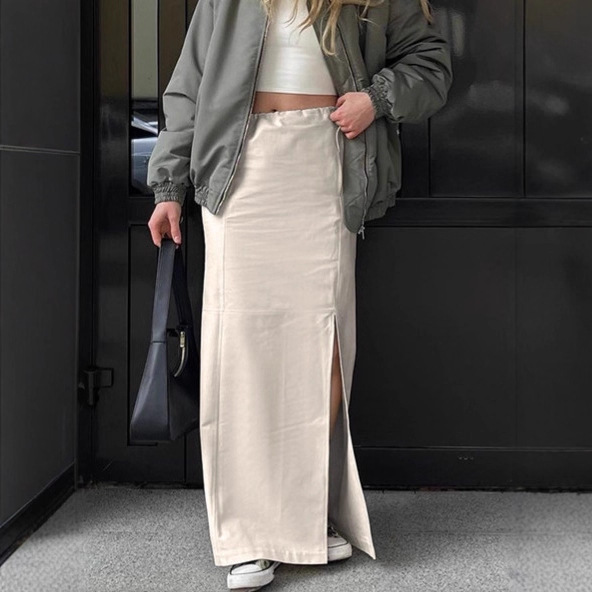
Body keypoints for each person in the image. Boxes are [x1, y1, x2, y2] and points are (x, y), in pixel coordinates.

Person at [147, 0, 452, 589]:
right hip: (240, 169)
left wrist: (376, 99)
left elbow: (430, 65)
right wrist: (168, 186)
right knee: (241, 352)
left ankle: (303, 517)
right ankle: (250, 535)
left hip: (324, 163)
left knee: (323, 350)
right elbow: (189, 86)